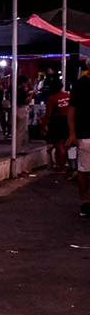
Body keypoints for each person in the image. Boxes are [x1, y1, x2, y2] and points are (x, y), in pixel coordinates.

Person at [67, 63, 90, 218]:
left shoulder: (80, 84)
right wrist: (72, 133)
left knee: (84, 169)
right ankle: (85, 201)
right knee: (84, 170)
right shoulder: (81, 85)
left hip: (83, 133)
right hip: (85, 133)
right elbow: (72, 110)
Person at [41, 78, 70, 173]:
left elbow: (48, 114)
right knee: (65, 145)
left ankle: (61, 167)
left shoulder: (52, 98)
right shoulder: (68, 95)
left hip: (58, 123)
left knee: (59, 145)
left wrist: (43, 125)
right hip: (69, 121)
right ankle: (64, 165)